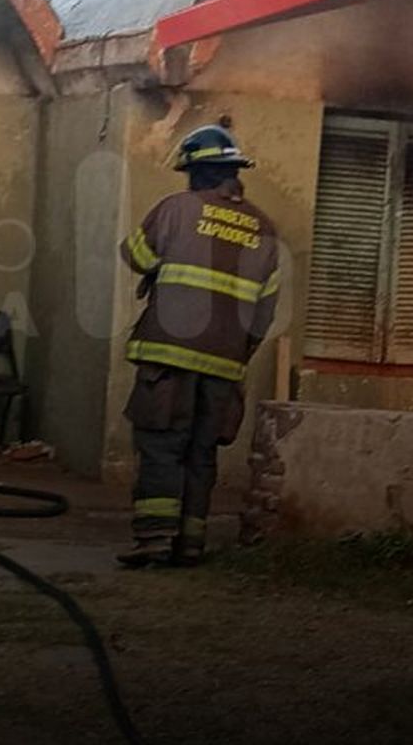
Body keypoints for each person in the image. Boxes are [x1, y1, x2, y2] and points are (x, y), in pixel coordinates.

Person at [116, 124, 280, 568]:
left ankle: (154, 541)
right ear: (232, 173)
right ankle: (191, 544)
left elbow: (137, 256)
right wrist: (238, 355)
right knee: (201, 452)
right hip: (226, 364)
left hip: (168, 356)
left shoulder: (177, 209)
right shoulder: (265, 229)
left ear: (197, 173)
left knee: (162, 445)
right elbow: (264, 313)